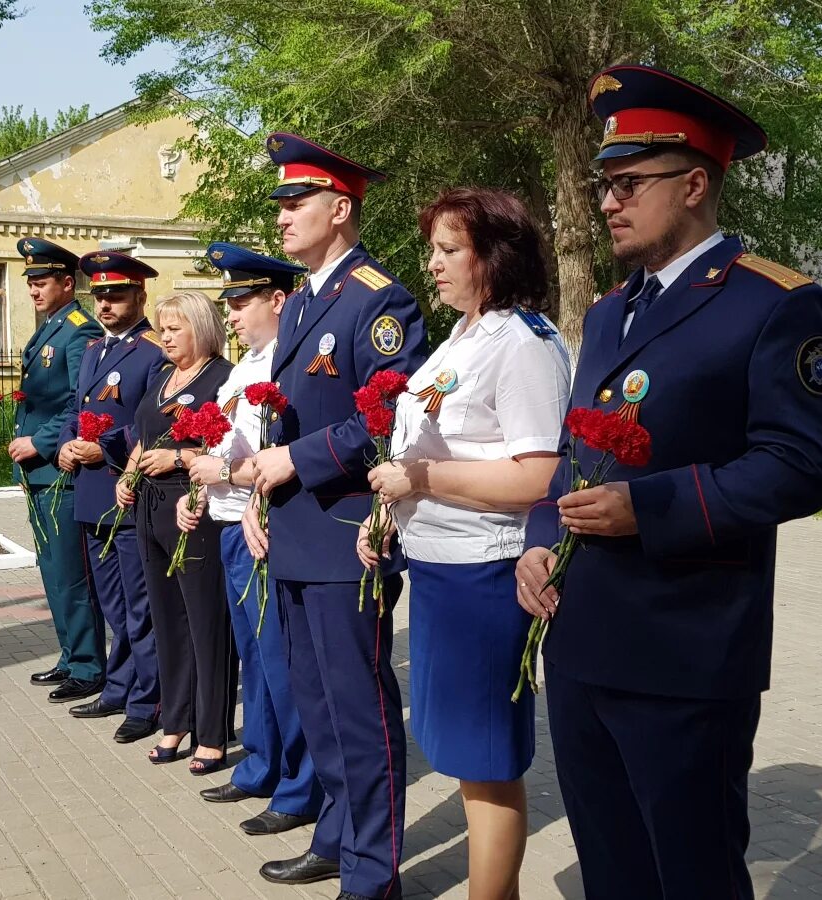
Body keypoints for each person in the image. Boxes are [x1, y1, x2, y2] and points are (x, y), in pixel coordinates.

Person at [513, 64, 822, 899]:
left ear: (695, 182)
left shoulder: (771, 303)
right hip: (585, 635)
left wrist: (647, 508)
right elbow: (574, 445)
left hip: (686, 646)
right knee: (613, 867)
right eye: (604, 185)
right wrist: (539, 541)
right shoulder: (610, 311)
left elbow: (802, 464)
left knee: (691, 873)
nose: (607, 201)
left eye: (628, 183)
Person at [358, 189, 570, 900]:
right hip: (442, 569)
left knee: (488, 761)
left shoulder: (523, 342)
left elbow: (539, 474)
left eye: (451, 249)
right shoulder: (464, 336)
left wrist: (421, 477)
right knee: (464, 756)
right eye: (435, 249)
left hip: (487, 573)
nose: (434, 263)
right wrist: (390, 508)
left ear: (495, 255)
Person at [244, 133, 428, 900]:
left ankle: (374, 870)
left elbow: (389, 419)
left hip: (346, 536)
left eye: (297, 202)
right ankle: (335, 836)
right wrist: (260, 489)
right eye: (281, 204)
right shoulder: (304, 301)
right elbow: (280, 421)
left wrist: (296, 462)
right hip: (293, 531)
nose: (283, 217)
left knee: (358, 707)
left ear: (341, 208)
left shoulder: (378, 299)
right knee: (316, 704)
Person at [177, 242, 323, 836]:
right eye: (229, 301)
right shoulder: (243, 369)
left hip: (261, 524)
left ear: (278, 300)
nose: (231, 313)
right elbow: (221, 447)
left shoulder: (284, 365)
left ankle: (299, 785)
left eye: (242, 300)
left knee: (281, 661)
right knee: (256, 660)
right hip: (232, 522)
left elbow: (278, 456)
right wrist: (199, 492)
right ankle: (262, 762)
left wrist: (226, 479)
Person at [115, 290, 235, 776]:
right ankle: (176, 717)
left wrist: (180, 458)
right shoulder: (164, 377)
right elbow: (144, 433)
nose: (163, 336)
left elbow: (227, 447)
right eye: (161, 328)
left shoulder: (222, 378)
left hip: (194, 507)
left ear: (201, 329)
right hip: (149, 506)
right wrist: (127, 474)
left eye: (173, 328)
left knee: (204, 622)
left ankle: (212, 732)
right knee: (167, 620)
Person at [55, 250, 168, 743]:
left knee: (137, 608)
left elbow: (154, 421)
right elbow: (76, 409)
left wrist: (104, 448)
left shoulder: (151, 351)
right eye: (98, 294)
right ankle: (120, 685)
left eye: (115, 294)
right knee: (112, 604)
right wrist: (64, 445)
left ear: (139, 295)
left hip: (126, 492)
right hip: (90, 493)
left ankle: (150, 700)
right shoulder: (97, 351)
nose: (104, 303)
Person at [10, 237, 106, 703]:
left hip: (58, 471)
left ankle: (89, 665)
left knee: (70, 572)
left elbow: (78, 399)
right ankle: (70, 656)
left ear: (68, 284)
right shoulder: (51, 326)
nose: (33, 289)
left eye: (42, 281)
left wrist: (41, 442)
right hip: (39, 474)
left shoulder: (79, 331)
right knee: (52, 569)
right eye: (30, 282)